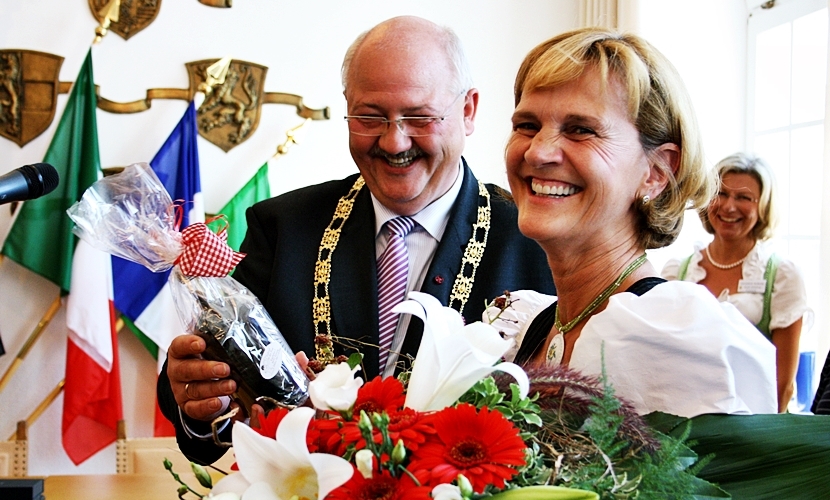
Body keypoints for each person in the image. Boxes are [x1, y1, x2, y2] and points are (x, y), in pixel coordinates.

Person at [158, 16, 555, 464]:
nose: (393, 141)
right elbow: (212, 419)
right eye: (370, 117)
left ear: (468, 111)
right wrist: (195, 395)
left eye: (418, 117)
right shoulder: (284, 227)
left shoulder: (534, 244)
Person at [486, 27, 777, 418]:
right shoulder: (528, 324)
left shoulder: (683, 345)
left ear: (656, 171)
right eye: (527, 125)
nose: (538, 151)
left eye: (580, 130)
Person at [662, 154, 809, 413]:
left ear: (763, 207)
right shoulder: (678, 271)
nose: (729, 206)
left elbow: (783, 385)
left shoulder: (782, 276)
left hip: (753, 427)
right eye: (721, 194)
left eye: (744, 198)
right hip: (687, 421)